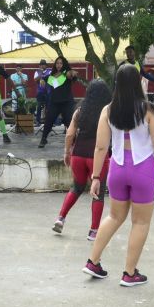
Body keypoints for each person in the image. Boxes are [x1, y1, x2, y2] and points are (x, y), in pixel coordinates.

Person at [82, 66, 154, 287]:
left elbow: (101, 147)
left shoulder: (108, 110)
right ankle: (129, 273)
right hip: (143, 170)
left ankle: (93, 262)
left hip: (117, 169)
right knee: (140, 222)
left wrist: (95, 177)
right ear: (138, 82)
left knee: (114, 217)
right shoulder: (149, 109)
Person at [53, 80, 113, 241]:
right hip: (97, 157)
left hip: (78, 155)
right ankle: (93, 231)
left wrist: (67, 152)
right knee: (98, 194)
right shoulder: (108, 112)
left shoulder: (79, 111)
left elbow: (69, 134)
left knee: (77, 187)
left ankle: (61, 218)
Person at [38, 56, 78, 148]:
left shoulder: (66, 73)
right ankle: (43, 139)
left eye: (61, 63)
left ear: (64, 64)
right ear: (55, 64)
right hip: (54, 102)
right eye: (57, 63)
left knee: (69, 122)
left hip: (66, 102)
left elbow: (71, 74)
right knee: (49, 121)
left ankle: (75, 142)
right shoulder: (52, 75)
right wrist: (41, 80)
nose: (59, 65)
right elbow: (44, 78)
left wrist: (72, 73)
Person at [34, 59, 51, 125]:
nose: (42, 66)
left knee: (48, 107)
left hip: (48, 91)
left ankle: (49, 121)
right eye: (41, 65)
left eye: (43, 65)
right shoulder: (37, 72)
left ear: (46, 66)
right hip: (40, 92)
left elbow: (51, 79)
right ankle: (38, 121)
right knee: (38, 106)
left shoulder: (50, 71)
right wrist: (40, 73)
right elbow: (35, 79)